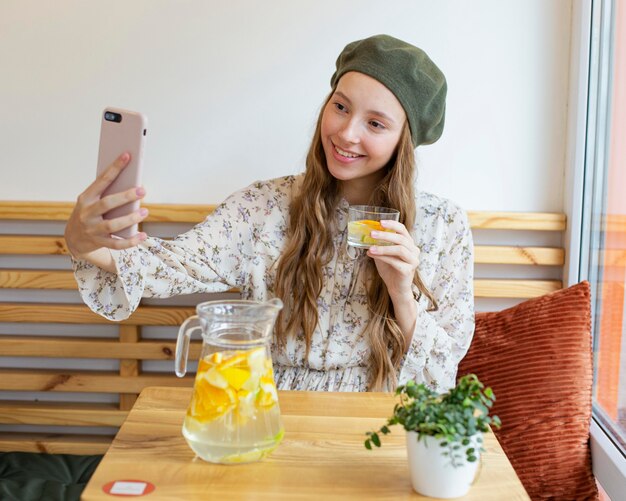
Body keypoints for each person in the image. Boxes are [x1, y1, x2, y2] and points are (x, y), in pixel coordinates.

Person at [65, 34, 474, 393]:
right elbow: (175, 264)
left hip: (374, 422)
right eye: (341, 107)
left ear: (405, 140)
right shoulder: (264, 205)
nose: (347, 133)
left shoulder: (444, 227)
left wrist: (402, 292)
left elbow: (442, 369)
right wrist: (82, 241)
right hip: (266, 405)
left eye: (376, 123)